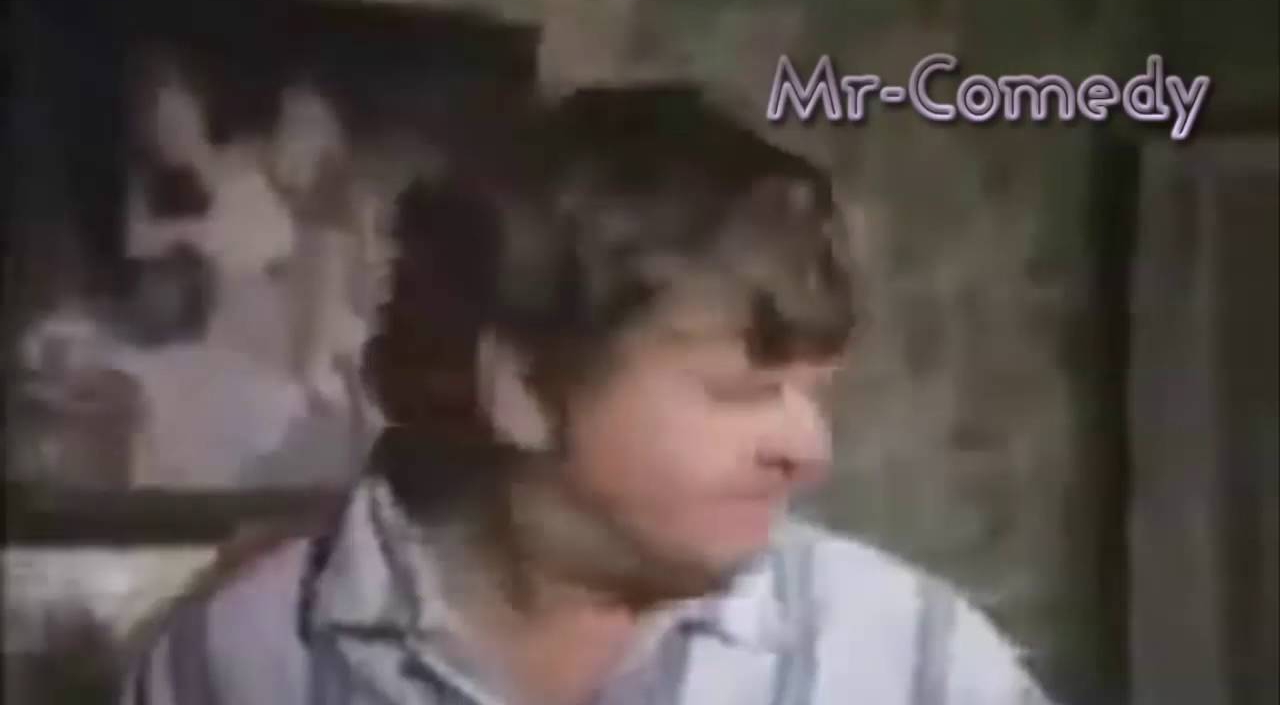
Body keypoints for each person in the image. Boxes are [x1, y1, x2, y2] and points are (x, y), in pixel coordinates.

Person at [120, 85, 1055, 705]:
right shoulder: (234, 662)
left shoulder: (913, 658)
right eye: (744, 391)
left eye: (817, 392)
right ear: (523, 388)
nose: (811, 451)